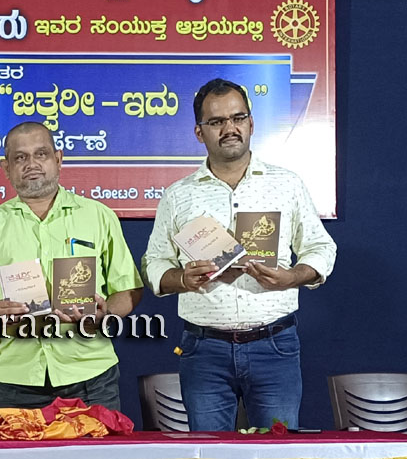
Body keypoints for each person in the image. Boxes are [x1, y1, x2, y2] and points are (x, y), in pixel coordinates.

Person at [141, 78, 337, 430]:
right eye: (217, 121)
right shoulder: (178, 195)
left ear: (251, 123)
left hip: (274, 346)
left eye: (237, 118)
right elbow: (155, 262)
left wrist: (292, 277)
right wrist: (183, 279)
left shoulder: (287, 184)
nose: (229, 128)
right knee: (209, 451)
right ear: (199, 132)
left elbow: (321, 247)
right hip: (203, 350)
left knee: (278, 451)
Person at [0, 121, 142, 412]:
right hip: (13, 380)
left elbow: (129, 289)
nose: (31, 164)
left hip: (90, 377)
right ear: (6, 168)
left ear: (58, 159)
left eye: (41, 154)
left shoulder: (98, 216)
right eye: (20, 157)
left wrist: (105, 314)